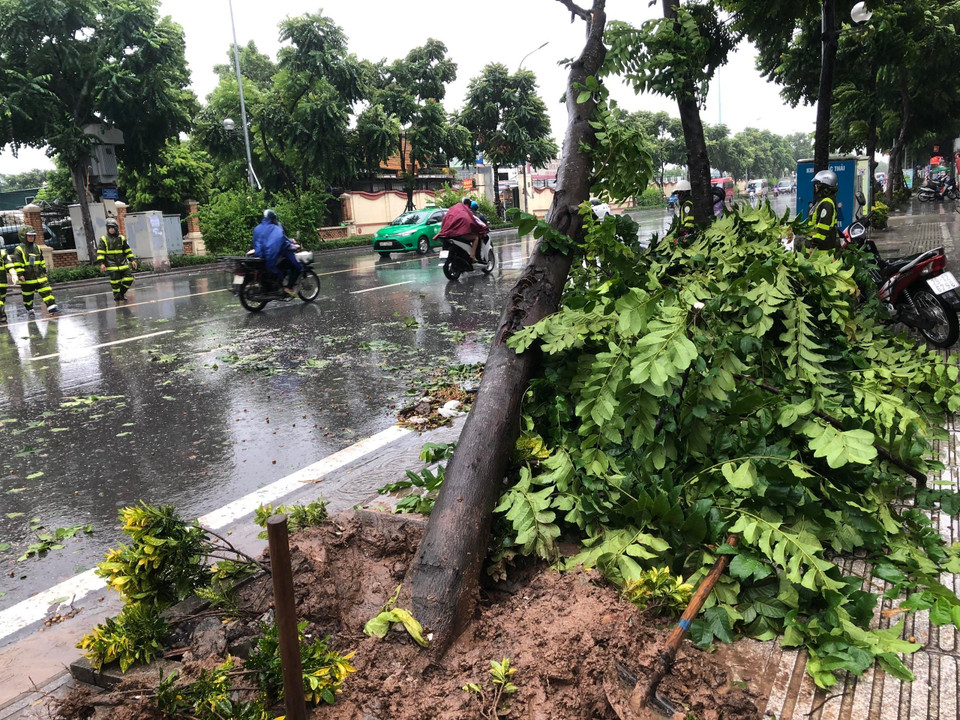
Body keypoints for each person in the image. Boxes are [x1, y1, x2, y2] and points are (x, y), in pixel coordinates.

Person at [12, 226, 59, 318]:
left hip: (39, 276)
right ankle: (30, 310)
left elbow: (41, 261)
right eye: (29, 236)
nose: (31, 238)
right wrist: (20, 274)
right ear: (23, 236)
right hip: (27, 278)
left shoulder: (37, 247)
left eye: (33, 236)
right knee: (28, 296)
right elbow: (18, 263)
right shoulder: (19, 249)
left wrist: (44, 272)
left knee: (46, 290)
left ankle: (51, 307)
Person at [253, 209, 301, 296]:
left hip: (260, 256)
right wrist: (294, 246)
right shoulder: (275, 229)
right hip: (271, 258)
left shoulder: (257, 228)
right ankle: (287, 288)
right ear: (273, 218)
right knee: (296, 266)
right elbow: (282, 243)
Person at [97, 219, 138, 303]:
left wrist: (132, 260)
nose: (111, 229)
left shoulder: (122, 238)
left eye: (113, 228)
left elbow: (127, 250)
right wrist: (102, 263)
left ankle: (121, 294)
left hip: (123, 264)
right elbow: (101, 252)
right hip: (111, 264)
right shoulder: (103, 239)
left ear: (116, 228)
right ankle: (117, 297)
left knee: (129, 279)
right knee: (115, 282)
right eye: (109, 228)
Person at [806, 170, 840, 251]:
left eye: (818, 184)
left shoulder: (827, 203)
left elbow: (822, 227)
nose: (816, 186)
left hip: (821, 250)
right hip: (817, 249)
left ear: (824, 185)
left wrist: (814, 245)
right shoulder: (821, 201)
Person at [0, 244, 13, 323]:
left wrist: (13, 274)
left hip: (2, 282)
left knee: (2, 300)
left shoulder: (3, 252)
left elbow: (9, 264)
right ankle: (2, 315)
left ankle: (1, 313)